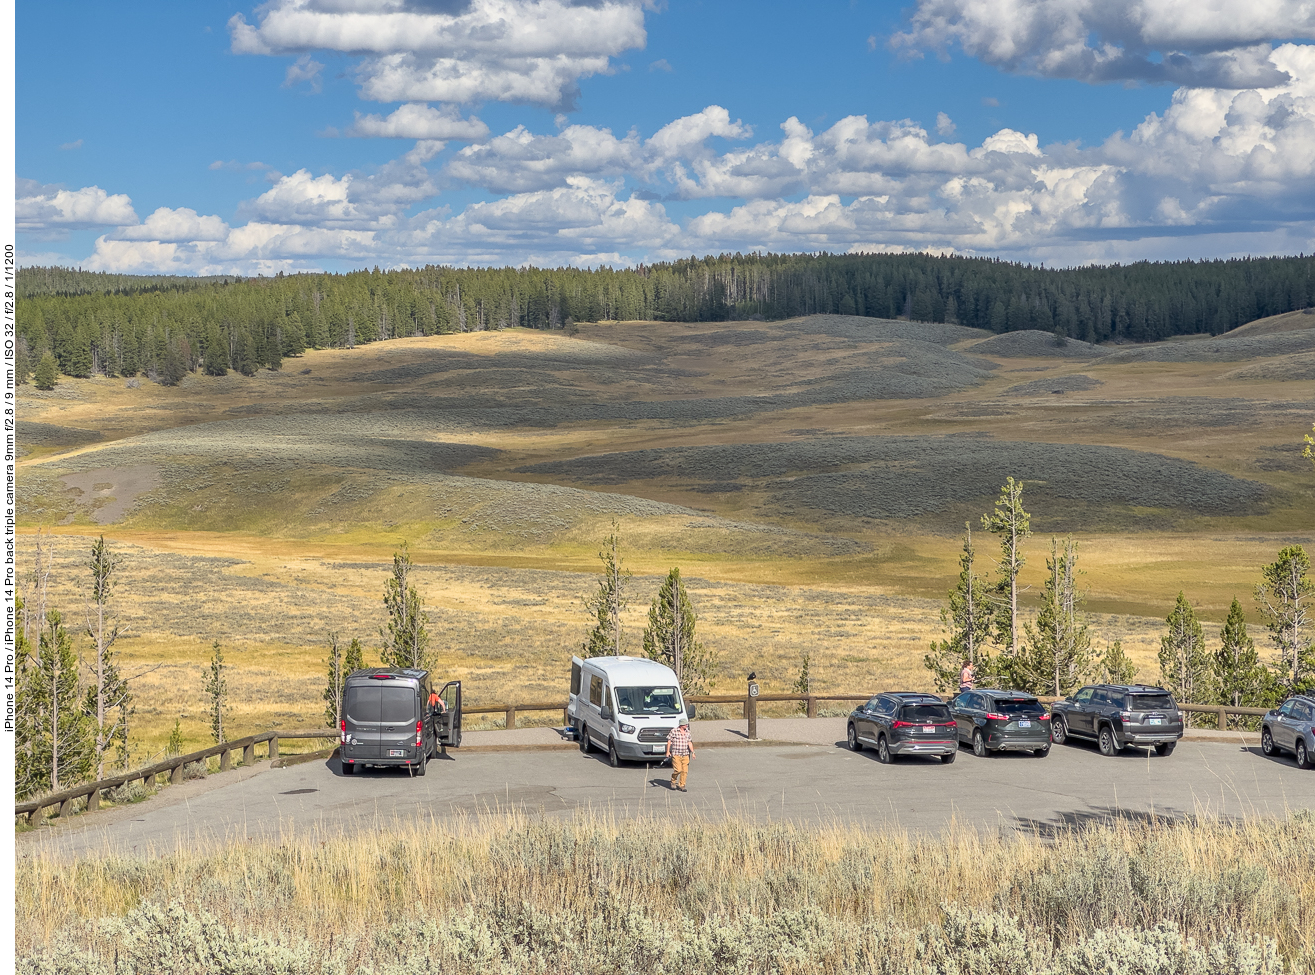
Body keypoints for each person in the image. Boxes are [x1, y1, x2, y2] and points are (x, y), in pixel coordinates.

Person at [665, 716, 695, 791]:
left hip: (685, 754)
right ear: (681, 725)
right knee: (678, 770)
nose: (686, 726)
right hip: (676, 754)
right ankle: (673, 780)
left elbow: (689, 743)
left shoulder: (687, 732)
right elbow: (669, 742)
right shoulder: (674, 731)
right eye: (685, 724)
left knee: (685, 771)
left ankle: (682, 785)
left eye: (687, 724)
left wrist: (693, 752)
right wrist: (668, 751)